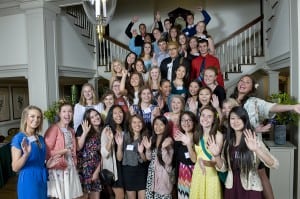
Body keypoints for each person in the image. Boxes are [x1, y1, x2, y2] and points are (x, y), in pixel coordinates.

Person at [209, 106, 279, 199]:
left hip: (251, 189)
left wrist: (256, 149)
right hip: (232, 188)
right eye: (232, 118)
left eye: (239, 118)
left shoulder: (253, 139)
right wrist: (216, 156)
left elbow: (274, 164)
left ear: (245, 120)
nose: (235, 121)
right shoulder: (228, 142)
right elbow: (223, 168)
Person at [11, 105, 59, 199]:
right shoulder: (19, 138)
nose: (36, 119)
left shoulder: (40, 138)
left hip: (42, 177)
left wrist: (47, 165)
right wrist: (26, 155)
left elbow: (39, 160)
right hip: (28, 180)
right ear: (25, 118)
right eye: (32, 116)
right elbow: (15, 168)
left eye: (38, 117)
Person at [181, 105, 223, 199]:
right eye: (203, 115)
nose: (205, 118)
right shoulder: (197, 133)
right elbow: (194, 159)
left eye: (209, 116)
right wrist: (188, 144)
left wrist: (203, 162)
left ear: (214, 119)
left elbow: (215, 162)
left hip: (211, 175)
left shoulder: (218, 136)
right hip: (197, 173)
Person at [45, 101, 83, 199]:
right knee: (60, 195)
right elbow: (47, 151)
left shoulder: (71, 130)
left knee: (69, 194)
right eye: (64, 111)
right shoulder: (54, 128)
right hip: (57, 166)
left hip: (70, 165)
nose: (67, 114)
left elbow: (74, 149)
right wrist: (63, 151)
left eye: (70, 111)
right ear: (59, 113)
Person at [142, 115, 174, 199]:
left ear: (165, 127)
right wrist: (148, 149)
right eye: (156, 124)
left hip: (163, 177)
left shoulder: (168, 140)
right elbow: (149, 158)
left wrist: (163, 148)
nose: (158, 127)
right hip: (152, 174)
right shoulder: (153, 138)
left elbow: (168, 161)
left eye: (161, 124)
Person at [76, 108, 103, 199]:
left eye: (96, 115)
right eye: (92, 117)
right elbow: (77, 148)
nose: (96, 118)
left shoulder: (104, 131)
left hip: (95, 169)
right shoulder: (82, 129)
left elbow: (105, 156)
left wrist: (97, 172)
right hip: (82, 170)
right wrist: (85, 133)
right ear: (88, 120)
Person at [101, 105, 127, 199]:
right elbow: (104, 153)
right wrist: (110, 140)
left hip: (124, 165)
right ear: (111, 116)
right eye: (115, 113)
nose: (118, 115)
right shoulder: (107, 130)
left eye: (120, 112)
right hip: (115, 168)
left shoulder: (124, 128)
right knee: (120, 195)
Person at [121, 114, 149, 199]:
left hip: (141, 171)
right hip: (128, 171)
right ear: (130, 124)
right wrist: (119, 146)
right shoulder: (125, 136)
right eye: (134, 122)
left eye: (139, 122)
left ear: (143, 123)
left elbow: (146, 160)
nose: (137, 124)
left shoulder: (146, 137)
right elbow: (120, 157)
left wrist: (141, 153)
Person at [173, 111, 197, 199]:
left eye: (189, 120)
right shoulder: (178, 140)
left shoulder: (198, 138)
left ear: (194, 122)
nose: (186, 123)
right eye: (183, 120)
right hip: (182, 178)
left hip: (195, 176)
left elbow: (194, 160)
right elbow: (176, 162)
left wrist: (188, 144)